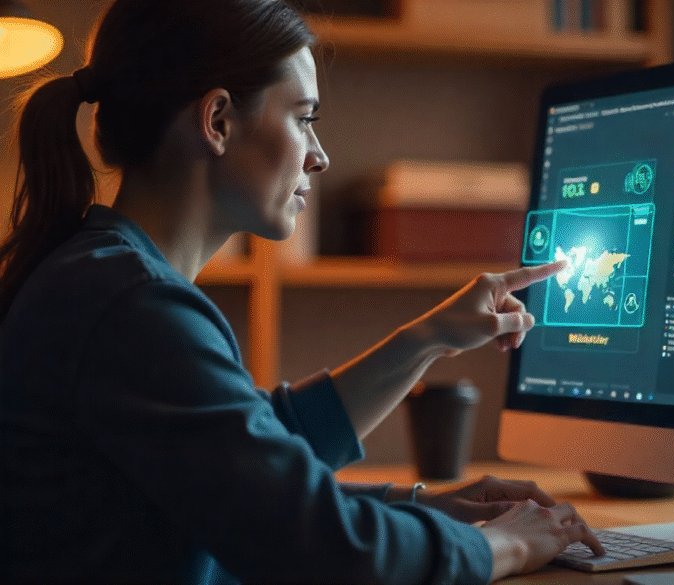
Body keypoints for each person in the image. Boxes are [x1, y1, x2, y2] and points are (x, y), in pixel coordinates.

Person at [0, 0, 603, 583]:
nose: (319, 156)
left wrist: (428, 343)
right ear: (217, 122)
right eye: (303, 117)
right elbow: (320, 543)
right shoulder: (131, 306)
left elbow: (254, 456)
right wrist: (503, 543)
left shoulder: (106, 277)